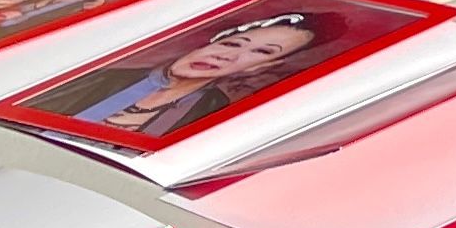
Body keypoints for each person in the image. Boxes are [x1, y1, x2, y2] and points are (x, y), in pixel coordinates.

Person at [25, 10, 327, 141]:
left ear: (256, 69)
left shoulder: (214, 114)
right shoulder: (101, 77)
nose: (227, 56)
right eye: (232, 43)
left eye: (261, 53)